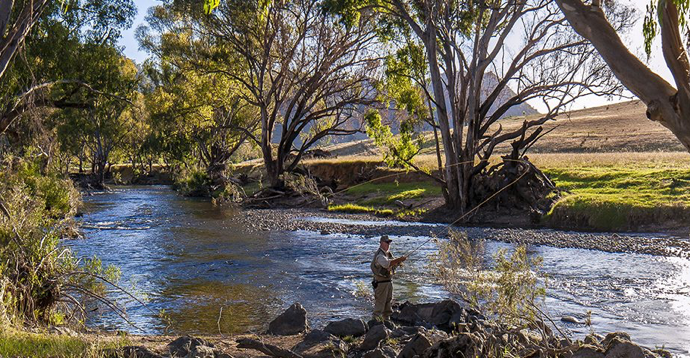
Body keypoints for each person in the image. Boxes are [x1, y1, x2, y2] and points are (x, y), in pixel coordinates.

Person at [370, 235, 407, 320]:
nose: (388, 244)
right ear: (381, 243)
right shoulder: (379, 255)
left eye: (389, 242)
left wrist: (399, 261)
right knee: (380, 305)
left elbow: (392, 263)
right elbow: (387, 264)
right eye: (386, 242)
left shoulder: (388, 254)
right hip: (381, 284)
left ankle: (387, 321)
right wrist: (399, 259)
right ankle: (374, 323)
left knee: (388, 304)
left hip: (388, 282)